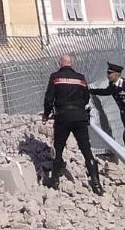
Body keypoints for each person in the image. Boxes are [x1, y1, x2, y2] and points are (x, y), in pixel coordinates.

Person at [43, 55, 103, 195]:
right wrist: (78, 107)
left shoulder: (55, 77)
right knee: (86, 150)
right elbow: (86, 97)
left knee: (58, 148)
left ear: (60, 63)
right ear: (72, 64)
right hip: (80, 117)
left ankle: (55, 181)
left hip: (63, 118)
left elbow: (49, 98)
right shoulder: (80, 78)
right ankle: (96, 185)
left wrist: (46, 114)